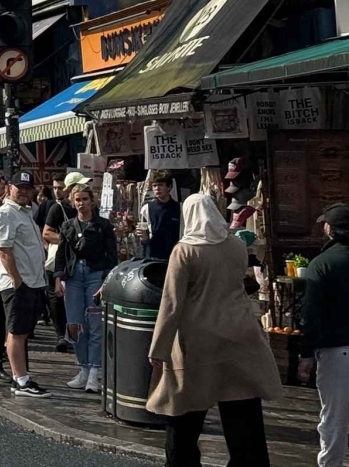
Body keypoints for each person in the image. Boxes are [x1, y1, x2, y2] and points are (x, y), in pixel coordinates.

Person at [147, 194, 282, 465]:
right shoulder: (235, 245)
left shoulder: (185, 250)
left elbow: (172, 303)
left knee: (183, 415)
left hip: (198, 341)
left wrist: (158, 349)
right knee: (243, 417)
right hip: (240, 336)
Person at [0, 172, 49, 397]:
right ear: (9, 188)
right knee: (16, 331)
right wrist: (16, 280)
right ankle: (21, 381)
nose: (23, 191)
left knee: (22, 331)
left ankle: (21, 377)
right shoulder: (6, 213)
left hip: (32, 281)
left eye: (28, 187)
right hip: (18, 282)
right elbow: (3, 250)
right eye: (19, 187)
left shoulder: (26, 212)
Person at [300, 202, 349, 467]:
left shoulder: (321, 264)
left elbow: (311, 314)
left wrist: (306, 354)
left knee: (334, 419)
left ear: (331, 229)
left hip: (336, 351)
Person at [55, 183, 116, 392]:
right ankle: (83, 368)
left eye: (85, 199)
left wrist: (106, 281)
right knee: (74, 324)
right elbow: (61, 254)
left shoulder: (103, 225)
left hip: (95, 274)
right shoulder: (67, 226)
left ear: (92, 201)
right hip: (73, 277)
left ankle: (95, 372)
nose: (81, 203)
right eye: (78, 200)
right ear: (73, 202)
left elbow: (112, 256)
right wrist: (58, 279)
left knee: (95, 324)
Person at [42, 173, 82, 351]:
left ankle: (74, 334)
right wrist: (67, 241)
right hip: (60, 261)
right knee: (57, 298)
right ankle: (61, 335)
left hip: (80, 262)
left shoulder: (87, 207)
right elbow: (46, 233)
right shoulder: (57, 209)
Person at [138, 171, 183, 264]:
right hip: (153, 256)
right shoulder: (146, 209)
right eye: (154, 186)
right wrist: (141, 234)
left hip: (175, 256)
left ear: (169, 187)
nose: (157, 188)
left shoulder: (180, 208)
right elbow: (144, 236)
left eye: (161, 185)